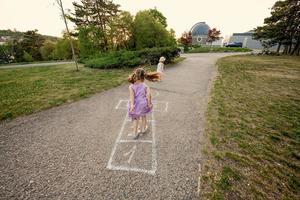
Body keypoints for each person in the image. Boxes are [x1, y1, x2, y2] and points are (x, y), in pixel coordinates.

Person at [128, 67, 160, 139]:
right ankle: (143, 129)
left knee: (136, 118)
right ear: (143, 77)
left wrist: (132, 105)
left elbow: (132, 97)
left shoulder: (131, 86)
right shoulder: (145, 86)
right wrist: (149, 103)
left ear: (135, 75)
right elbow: (148, 95)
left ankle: (135, 133)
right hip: (143, 103)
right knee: (143, 116)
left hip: (136, 104)